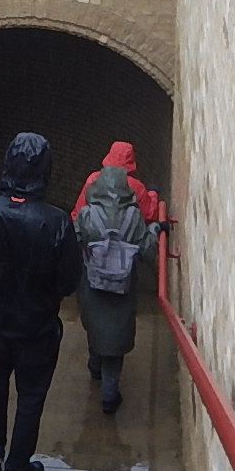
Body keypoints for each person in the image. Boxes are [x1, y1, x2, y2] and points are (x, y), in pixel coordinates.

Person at [0, 132, 82, 471]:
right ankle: (18, 463)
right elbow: (68, 282)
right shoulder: (56, 222)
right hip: (36, 327)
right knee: (31, 395)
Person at [74, 164, 160, 414]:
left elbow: (73, 240)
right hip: (123, 289)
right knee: (115, 337)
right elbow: (147, 251)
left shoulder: (87, 215)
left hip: (92, 286)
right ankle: (109, 395)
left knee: (96, 325)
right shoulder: (134, 217)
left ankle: (94, 366)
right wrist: (155, 229)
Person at [72, 140, 159, 223]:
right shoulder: (137, 186)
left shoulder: (93, 178)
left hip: (94, 230)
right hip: (125, 232)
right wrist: (153, 194)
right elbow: (149, 214)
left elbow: (79, 211)